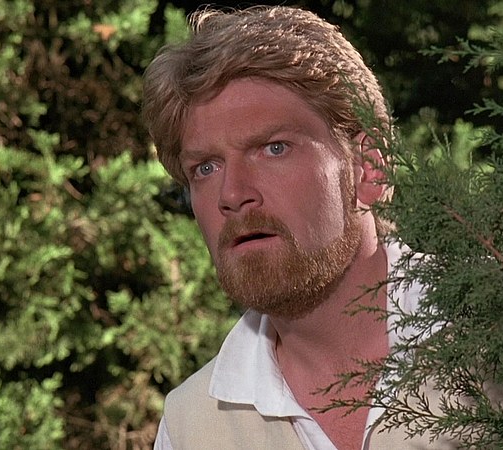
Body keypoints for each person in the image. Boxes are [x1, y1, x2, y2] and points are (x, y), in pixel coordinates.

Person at [142, 6, 457, 450]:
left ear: (368, 168)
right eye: (206, 168)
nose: (232, 194)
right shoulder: (190, 428)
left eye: (274, 148)